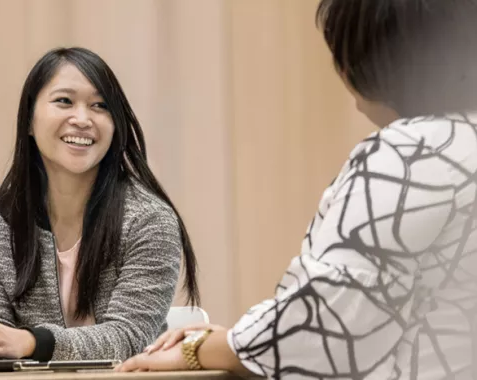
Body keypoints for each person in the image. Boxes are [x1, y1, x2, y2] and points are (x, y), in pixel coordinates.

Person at [116, 0, 477, 378]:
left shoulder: (408, 155)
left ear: (362, 58)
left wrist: (200, 349)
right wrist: (243, 339)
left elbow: (328, 328)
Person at [0, 47, 200, 362]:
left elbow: (129, 338)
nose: (82, 119)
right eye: (64, 101)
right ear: (28, 119)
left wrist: (30, 342)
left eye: (100, 106)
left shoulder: (149, 220)